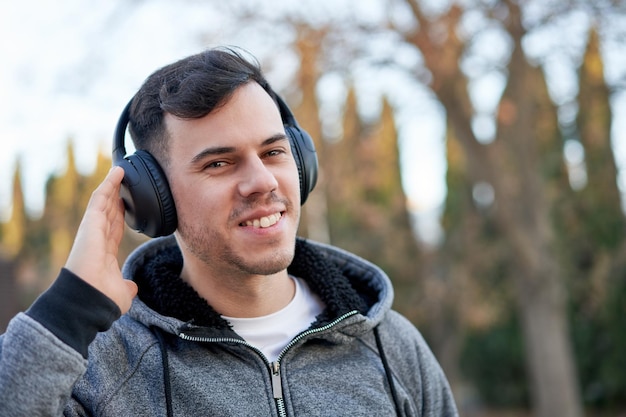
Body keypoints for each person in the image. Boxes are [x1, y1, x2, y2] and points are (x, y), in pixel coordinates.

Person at [0, 47, 458, 416]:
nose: (262, 181)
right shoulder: (100, 368)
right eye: (218, 163)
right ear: (152, 199)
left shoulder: (390, 344)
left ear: (302, 163)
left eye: (274, 152)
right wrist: (68, 309)